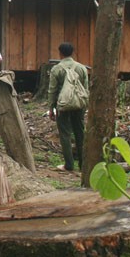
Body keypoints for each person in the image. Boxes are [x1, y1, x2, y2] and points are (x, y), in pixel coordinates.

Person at [47, 42, 89, 172]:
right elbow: (85, 88)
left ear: (60, 53)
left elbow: (52, 90)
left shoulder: (56, 69)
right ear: (72, 52)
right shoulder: (82, 68)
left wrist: (51, 108)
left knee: (65, 134)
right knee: (80, 133)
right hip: (79, 105)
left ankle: (69, 164)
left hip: (63, 106)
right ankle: (83, 164)